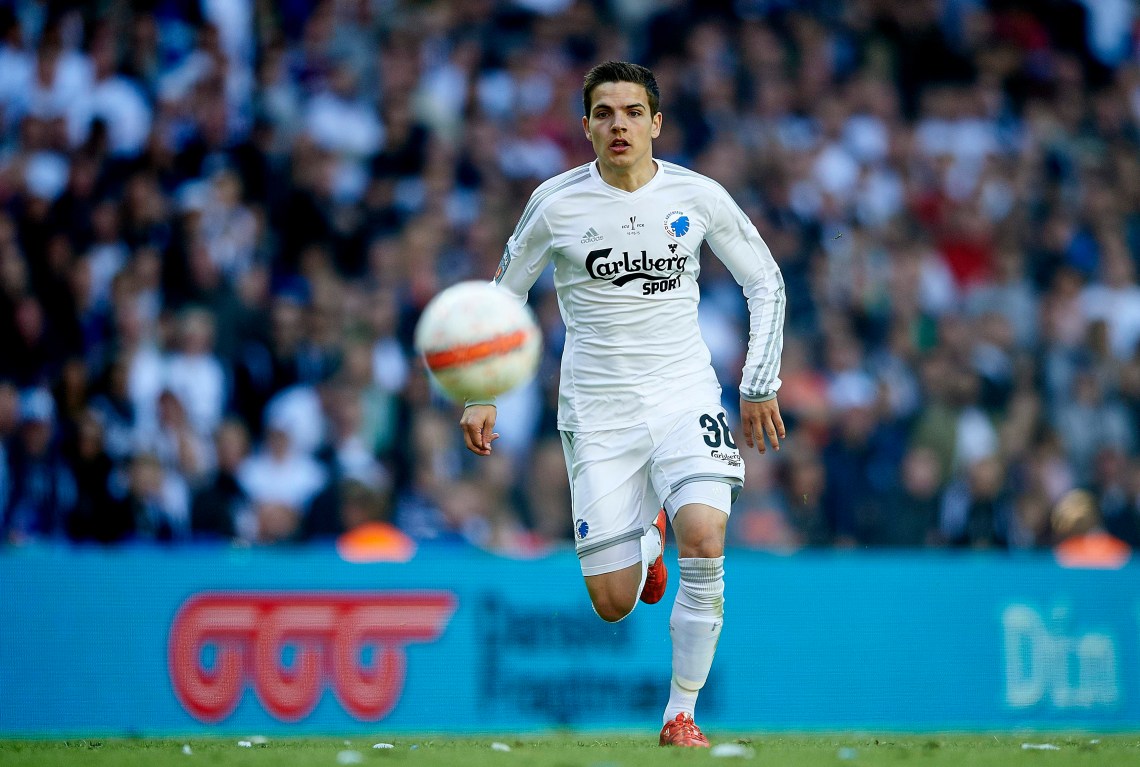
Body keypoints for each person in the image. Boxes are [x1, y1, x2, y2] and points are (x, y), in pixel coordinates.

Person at [458, 61, 786, 747]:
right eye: (604, 113)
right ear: (585, 126)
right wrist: (482, 392)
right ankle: (646, 537)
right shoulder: (555, 204)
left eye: (633, 112)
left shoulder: (697, 197)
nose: (619, 125)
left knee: (707, 536)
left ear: (656, 123)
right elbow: (503, 294)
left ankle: (680, 712)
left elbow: (765, 279)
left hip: (683, 395)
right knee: (612, 602)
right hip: (598, 413)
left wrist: (758, 382)